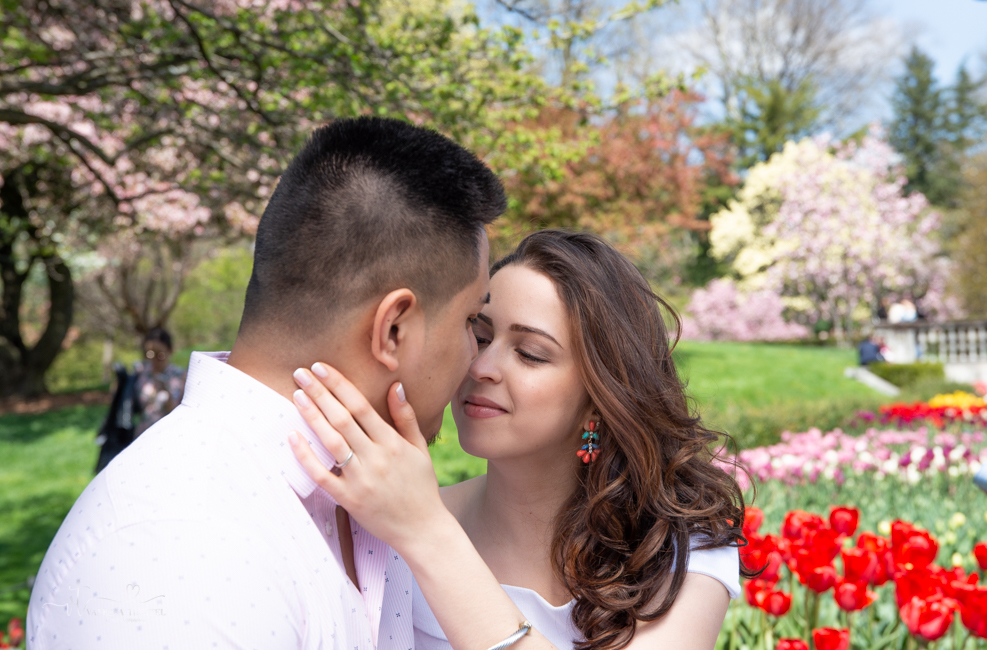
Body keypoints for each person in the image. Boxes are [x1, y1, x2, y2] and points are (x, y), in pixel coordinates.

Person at [26, 117, 506, 649]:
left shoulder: (373, 489)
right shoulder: (176, 543)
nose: (475, 359)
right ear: (393, 330)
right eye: (470, 323)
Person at [288, 231, 750, 650]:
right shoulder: (389, 522)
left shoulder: (675, 547)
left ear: (599, 396)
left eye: (530, 354)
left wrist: (427, 534)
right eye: (479, 333)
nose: (481, 367)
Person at [133, 327, 185, 437]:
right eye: (150, 354)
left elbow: (179, 413)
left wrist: (165, 390)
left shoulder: (180, 375)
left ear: (170, 351)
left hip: (167, 435)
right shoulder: (141, 371)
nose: (154, 360)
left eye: (160, 355)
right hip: (142, 434)